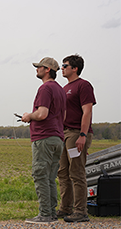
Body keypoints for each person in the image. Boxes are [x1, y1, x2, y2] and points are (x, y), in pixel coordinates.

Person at [21, 57, 67, 224]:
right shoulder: (60, 90)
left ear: (47, 69)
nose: (36, 69)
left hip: (44, 138)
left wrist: (28, 116)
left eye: (39, 67)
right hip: (57, 138)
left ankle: (45, 214)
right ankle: (52, 213)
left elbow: (42, 114)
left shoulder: (45, 88)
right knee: (50, 177)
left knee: (40, 175)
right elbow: (64, 116)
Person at [57, 54, 96, 223]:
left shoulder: (83, 85)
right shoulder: (64, 88)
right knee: (63, 172)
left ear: (75, 68)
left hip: (76, 134)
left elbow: (87, 111)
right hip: (64, 134)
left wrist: (83, 135)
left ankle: (81, 211)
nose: (62, 68)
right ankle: (65, 208)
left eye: (65, 65)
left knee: (76, 172)